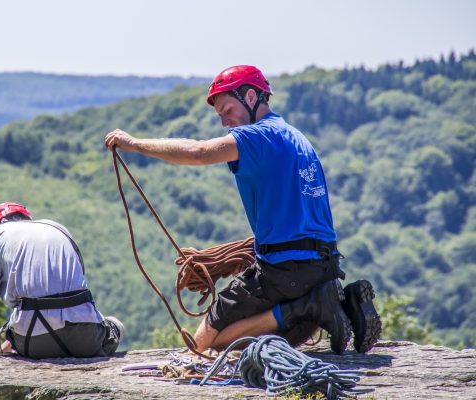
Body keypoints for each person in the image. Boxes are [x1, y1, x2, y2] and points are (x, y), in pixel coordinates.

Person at [104, 65, 381, 354]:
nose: (225, 121)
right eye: (220, 115)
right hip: (325, 266)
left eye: (227, 109)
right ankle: (340, 305)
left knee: (204, 344)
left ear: (250, 97)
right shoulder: (297, 139)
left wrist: (134, 144)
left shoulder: (258, 137)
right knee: (269, 336)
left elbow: (199, 152)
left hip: (286, 268)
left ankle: (309, 306)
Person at [0, 201, 124, 359]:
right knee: (115, 325)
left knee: (21, 322)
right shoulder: (57, 228)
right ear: (27, 219)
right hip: (85, 339)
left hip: (33, 343)